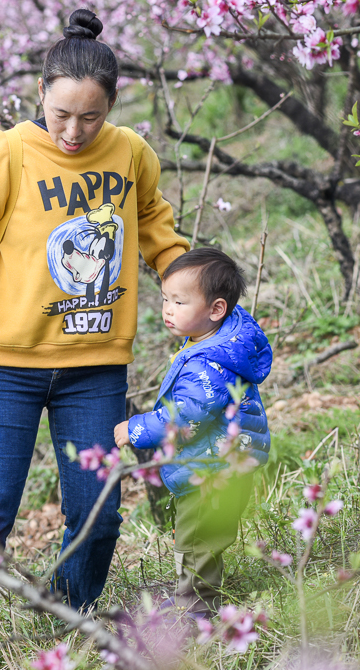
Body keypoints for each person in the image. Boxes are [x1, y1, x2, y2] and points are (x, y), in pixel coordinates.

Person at [0, 8, 190, 670]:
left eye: (89, 118)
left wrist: (192, 291)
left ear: (110, 108)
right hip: (5, 366)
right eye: (61, 114)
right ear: (41, 97)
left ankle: (70, 616)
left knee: (99, 513)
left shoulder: (131, 155)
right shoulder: (5, 155)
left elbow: (155, 228)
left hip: (94, 368)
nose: (73, 131)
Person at [113, 247, 273, 617]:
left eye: (179, 302)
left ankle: (199, 606)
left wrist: (135, 428)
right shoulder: (217, 339)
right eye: (166, 299)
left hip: (212, 469)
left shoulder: (208, 362)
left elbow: (186, 416)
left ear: (217, 309)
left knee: (197, 538)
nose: (168, 309)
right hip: (220, 460)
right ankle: (193, 594)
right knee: (201, 536)